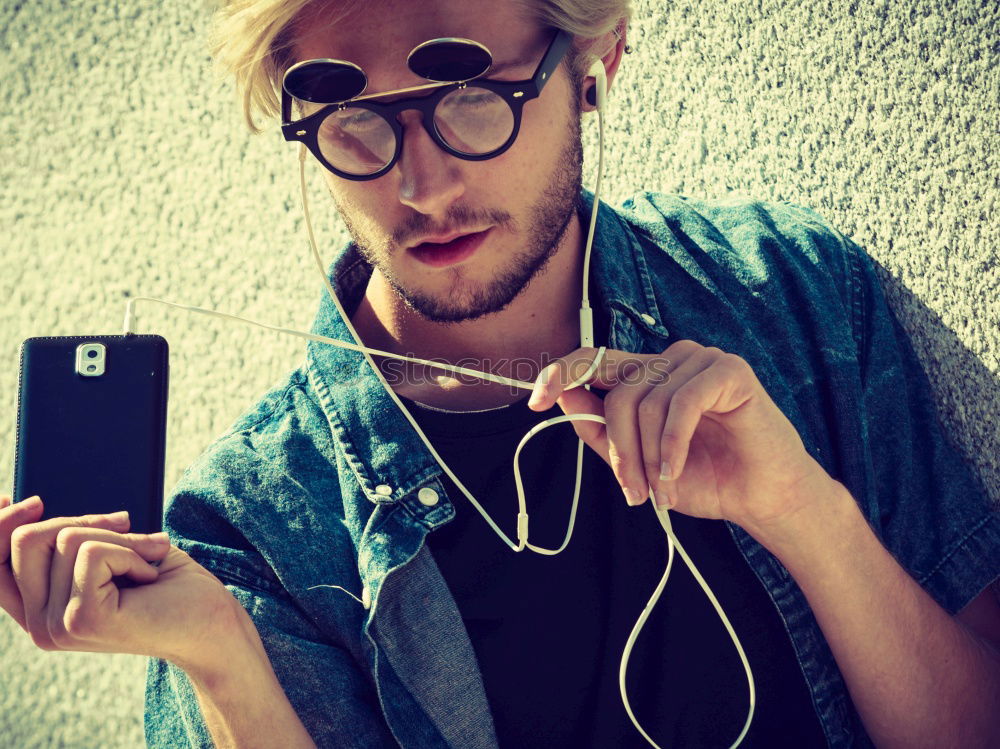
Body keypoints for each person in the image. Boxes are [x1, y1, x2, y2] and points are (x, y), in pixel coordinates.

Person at [2, 0, 999, 746]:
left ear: (596, 61)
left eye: (472, 98)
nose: (420, 185)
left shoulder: (786, 292)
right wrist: (227, 668)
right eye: (350, 117)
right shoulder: (249, 535)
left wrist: (805, 513)